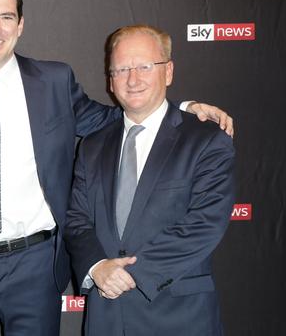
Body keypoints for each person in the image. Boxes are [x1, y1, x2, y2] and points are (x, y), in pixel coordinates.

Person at [0, 0, 234, 336]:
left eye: (6, 17)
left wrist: (183, 107)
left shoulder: (53, 81)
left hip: (33, 265)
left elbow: (120, 116)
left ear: (20, 25)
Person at [64, 25, 235, 336]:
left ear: (168, 72)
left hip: (178, 315)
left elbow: (205, 222)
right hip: (107, 316)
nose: (133, 78)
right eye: (122, 69)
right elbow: (77, 220)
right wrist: (97, 267)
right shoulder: (92, 145)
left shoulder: (206, 140)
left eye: (145, 66)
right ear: (110, 80)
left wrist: (133, 275)